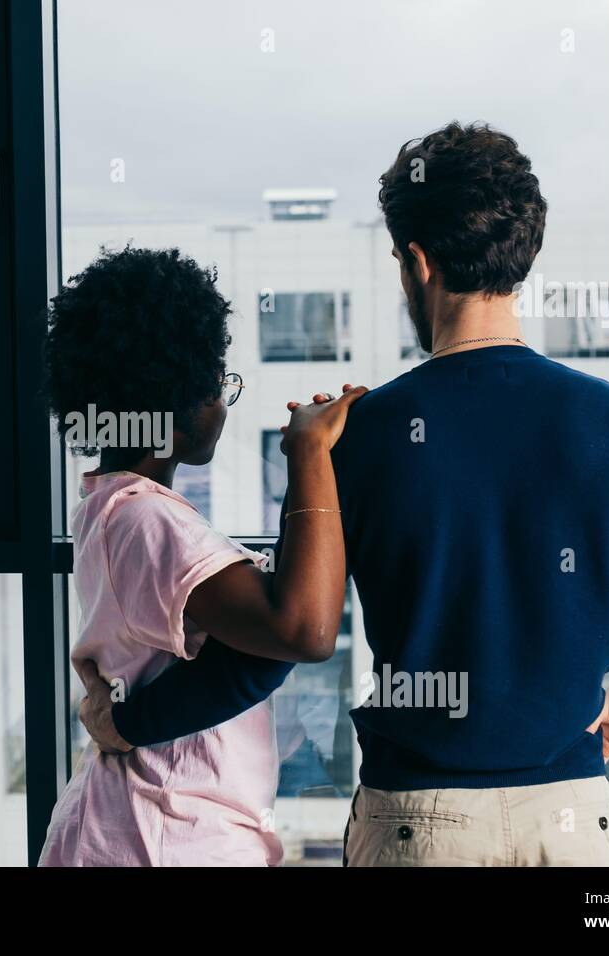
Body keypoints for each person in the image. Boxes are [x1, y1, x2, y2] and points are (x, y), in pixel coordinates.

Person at [79, 123, 609, 867]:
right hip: (573, 824)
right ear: (522, 256)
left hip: (417, 825)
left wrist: (131, 720)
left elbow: (275, 645)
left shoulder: (353, 435)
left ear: (417, 263)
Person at [36, 245, 365, 866]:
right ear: (177, 393)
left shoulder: (109, 507)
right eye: (218, 380)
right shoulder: (146, 519)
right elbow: (303, 629)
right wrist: (308, 457)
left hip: (137, 825)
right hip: (161, 833)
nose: (221, 399)